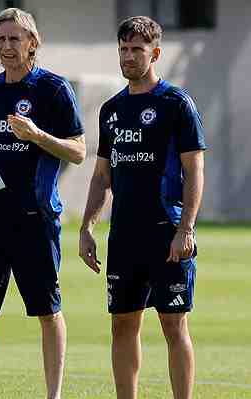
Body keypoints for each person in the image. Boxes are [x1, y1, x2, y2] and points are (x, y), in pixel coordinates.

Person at [0, 8, 86, 399]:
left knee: (47, 311)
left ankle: (53, 395)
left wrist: (37, 135)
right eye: (1, 39)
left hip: (34, 218)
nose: (7, 47)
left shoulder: (53, 90)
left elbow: (79, 151)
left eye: (15, 39)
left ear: (33, 43)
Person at [78, 16, 206, 399]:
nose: (129, 56)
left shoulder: (176, 104)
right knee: (122, 325)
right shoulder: (112, 110)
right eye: (123, 49)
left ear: (156, 53)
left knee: (173, 324)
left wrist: (186, 228)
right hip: (125, 237)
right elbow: (101, 176)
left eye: (137, 49)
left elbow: (194, 169)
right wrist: (87, 227)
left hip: (167, 232)